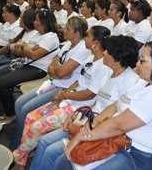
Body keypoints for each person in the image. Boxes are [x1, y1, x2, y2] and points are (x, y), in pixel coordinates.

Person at [61, 41, 152, 170]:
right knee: (63, 162)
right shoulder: (144, 82)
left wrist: (81, 137)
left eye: (142, 61)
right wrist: (95, 121)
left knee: (67, 161)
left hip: (138, 157)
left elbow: (119, 125)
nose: (137, 64)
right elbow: (116, 105)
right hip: (120, 142)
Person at [28, 35, 140, 170]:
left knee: (52, 152)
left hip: (100, 129)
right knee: (45, 142)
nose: (103, 52)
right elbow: (96, 104)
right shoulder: (109, 72)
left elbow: (117, 117)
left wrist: (86, 125)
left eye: (108, 51)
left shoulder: (130, 81)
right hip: (87, 120)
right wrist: (76, 115)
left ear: (119, 58)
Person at [10, 26, 114, 169]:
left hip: (79, 107)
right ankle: (21, 162)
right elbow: (78, 81)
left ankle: (17, 157)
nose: (85, 39)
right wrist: (61, 96)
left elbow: (89, 94)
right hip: (69, 99)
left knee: (37, 126)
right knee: (30, 117)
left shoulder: (104, 66)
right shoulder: (91, 58)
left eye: (88, 36)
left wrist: (64, 94)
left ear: (96, 43)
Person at [8, 16, 90, 151]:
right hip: (54, 81)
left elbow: (62, 72)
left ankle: (18, 145)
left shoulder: (82, 49)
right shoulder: (69, 44)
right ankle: (23, 140)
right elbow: (51, 68)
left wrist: (57, 71)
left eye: (67, 29)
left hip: (63, 86)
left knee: (25, 110)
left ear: (77, 33)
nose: (63, 30)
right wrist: (57, 71)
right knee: (19, 103)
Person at [0, 10, 60, 125]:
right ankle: (6, 105)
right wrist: (27, 50)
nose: (34, 23)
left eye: (37, 20)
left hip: (38, 69)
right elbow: (17, 50)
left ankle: (10, 113)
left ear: (43, 22)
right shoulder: (37, 34)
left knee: (2, 83)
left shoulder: (50, 37)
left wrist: (25, 48)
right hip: (25, 63)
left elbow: (34, 55)